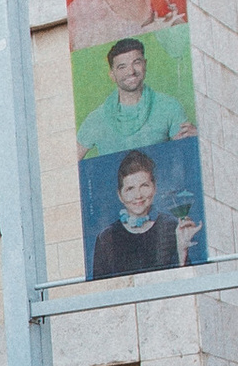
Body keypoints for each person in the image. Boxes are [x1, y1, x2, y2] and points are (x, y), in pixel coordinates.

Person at [90, 150, 203, 278]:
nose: (138, 195)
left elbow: (187, 283)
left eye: (144, 185)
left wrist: (182, 251)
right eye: (130, 189)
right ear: (120, 195)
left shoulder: (173, 227)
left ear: (154, 187)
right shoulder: (106, 237)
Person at [76, 35, 195, 155]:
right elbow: (69, 162)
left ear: (145, 64)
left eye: (136, 62)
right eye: (122, 67)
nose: (131, 71)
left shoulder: (169, 106)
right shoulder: (96, 119)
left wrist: (197, 138)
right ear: (112, 75)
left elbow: (185, 157)